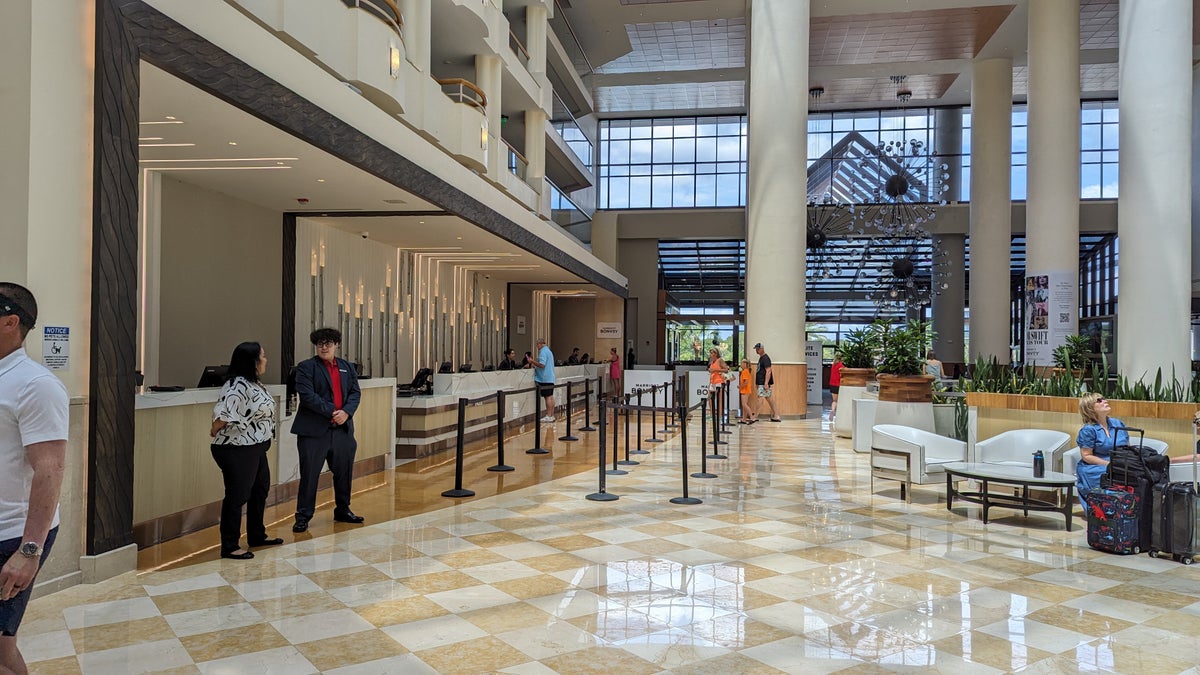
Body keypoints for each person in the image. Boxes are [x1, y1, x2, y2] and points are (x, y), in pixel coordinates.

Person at [0, 283, 67, 674]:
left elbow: (50, 469)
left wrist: (28, 552)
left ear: (11, 322)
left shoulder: (36, 385)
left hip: (11, 535)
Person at [209, 342, 283, 560]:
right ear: (252, 361)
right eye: (263, 356)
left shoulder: (254, 383)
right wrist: (214, 430)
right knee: (238, 494)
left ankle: (257, 535)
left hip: (256, 447)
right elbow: (221, 416)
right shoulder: (235, 386)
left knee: (260, 489)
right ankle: (230, 545)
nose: (266, 359)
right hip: (236, 449)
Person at [291, 328, 363, 533]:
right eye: (320, 343)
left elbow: (355, 393)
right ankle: (303, 516)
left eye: (328, 343)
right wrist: (334, 412)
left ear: (337, 345)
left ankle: (343, 509)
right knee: (310, 474)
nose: (324, 347)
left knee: (344, 472)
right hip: (314, 432)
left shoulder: (347, 367)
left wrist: (346, 413)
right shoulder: (306, 368)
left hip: (342, 430)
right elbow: (307, 396)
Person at [1075, 392, 1128, 509]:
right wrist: (1109, 464)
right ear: (1090, 408)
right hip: (1096, 466)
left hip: (1119, 463)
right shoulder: (1089, 430)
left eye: (1103, 398)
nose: (1104, 401)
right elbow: (1086, 456)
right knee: (1110, 473)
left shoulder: (1117, 423)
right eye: (1099, 401)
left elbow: (1128, 448)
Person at [753, 342, 780, 422]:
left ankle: (755, 416)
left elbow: (768, 371)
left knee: (760, 398)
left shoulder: (765, 358)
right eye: (756, 349)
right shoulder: (761, 358)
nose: (757, 350)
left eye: (758, 349)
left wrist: (765, 383)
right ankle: (776, 415)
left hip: (763, 383)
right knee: (769, 399)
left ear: (762, 349)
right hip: (761, 383)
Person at [532, 338, 556, 422]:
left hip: (544, 378)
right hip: (550, 378)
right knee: (551, 396)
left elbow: (542, 365)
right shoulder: (549, 351)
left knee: (547, 397)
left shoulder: (543, 352)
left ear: (540, 344)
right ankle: (552, 415)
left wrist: (532, 361)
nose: (536, 346)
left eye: (537, 344)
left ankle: (549, 415)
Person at [738, 359, 754, 423]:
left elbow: (746, 382)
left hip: (745, 390)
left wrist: (740, 386)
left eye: (741, 363)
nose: (740, 365)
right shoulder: (746, 371)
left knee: (744, 404)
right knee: (744, 405)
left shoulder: (745, 371)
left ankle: (751, 417)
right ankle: (744, 419)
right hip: (746, 390)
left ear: (745, 364)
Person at [829, 352, 845, 420]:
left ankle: (832, 410)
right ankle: (839, 415)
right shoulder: (841, 365)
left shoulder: (833, 365)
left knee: (834, 400)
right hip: (838, 384)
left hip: (832, 384)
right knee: (840, 401)